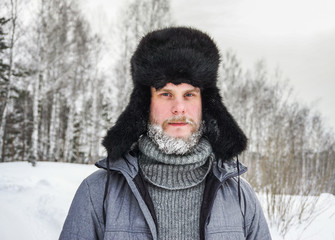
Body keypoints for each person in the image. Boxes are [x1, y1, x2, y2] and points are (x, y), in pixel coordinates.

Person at [60, 27, 271, 240]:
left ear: (205, 104)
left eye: (189, 94)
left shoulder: (240, 196)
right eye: (166, 94)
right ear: (145, 104)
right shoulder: (97, 193)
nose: (179, 107)